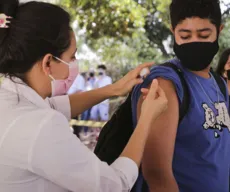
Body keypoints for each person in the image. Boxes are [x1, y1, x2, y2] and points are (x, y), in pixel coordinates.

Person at [0, 1, 168, 192]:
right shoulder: (40, 125)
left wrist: (113, 89)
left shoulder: (10, 101)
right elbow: (115, 185)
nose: (75, 64)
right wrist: (146, 118)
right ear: (48, 63)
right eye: (72, 57)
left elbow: (58, 105)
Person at [131, 0, 230, 192]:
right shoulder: (165, 84)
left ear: (219, 30)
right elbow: (156, 173)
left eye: (204, 35)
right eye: (184, 35)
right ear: (173, 32)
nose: (194, 42)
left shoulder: (219, 84)